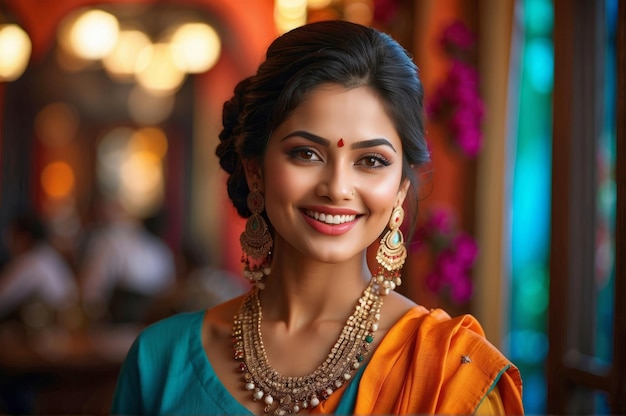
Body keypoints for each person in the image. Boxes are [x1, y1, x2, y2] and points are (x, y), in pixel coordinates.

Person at [111, 20, 524, 415]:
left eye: (371, 160)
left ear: (400, 187)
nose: (337, 187)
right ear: (255, 169)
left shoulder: (448, 375)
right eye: (306, 153)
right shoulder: (161, 361)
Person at [0, 211, 78, 325]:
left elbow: (2, 297)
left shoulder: (31, 261)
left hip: (56, 333)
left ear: (23, 238)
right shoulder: (49, 256)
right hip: (69, 329)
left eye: (10, 237)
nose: (8, 244)